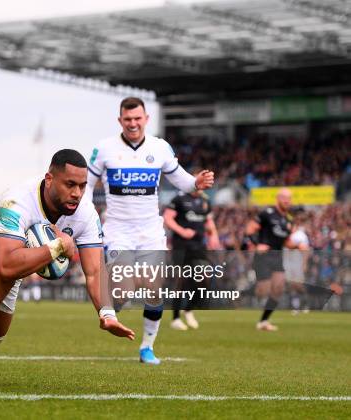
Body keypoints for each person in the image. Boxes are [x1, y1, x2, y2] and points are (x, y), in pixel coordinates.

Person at [0, 149, 135, 392]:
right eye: (70, 184)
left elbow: (94, 271)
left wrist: (107, 314)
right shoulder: (18, 200)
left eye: (82, 186)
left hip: (10, 267)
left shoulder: (85, 213)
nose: (77, 193)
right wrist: (58, 246)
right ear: (49, 179)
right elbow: (6, 264)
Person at [86, 97, 214, 364]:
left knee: (155, 289)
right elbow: (87, 185)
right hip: (118, 231)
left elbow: (181, 179)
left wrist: (197, 182)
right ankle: (110, 312)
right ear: (120, 120)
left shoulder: (160, 147)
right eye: (128, 119)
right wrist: (85, 217)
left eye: (137, 118)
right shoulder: (105, 148)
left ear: (146, 119)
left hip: (150, 231)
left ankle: (147, 348)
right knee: (124, 288)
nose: (133, 123)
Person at [163, 189, 221, 330]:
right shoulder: (179, 199)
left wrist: (214, 236)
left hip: (199, 246)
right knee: (181, 281)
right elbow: (167, 218)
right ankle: (175, 318)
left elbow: (208, 221)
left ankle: (188, 309)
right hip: (181, 246)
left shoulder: (205, 201)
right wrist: (182, 231)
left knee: (204, 279)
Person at [245, 188, 301, 331]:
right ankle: (241, 293)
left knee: (278, 288)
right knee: (263, 291)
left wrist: (297, 246)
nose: (287, 201)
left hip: (277, 257)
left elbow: (287, 242)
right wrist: (258, 244)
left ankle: (263, 321)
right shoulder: (267, 213)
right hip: (263, 257)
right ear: (278, 198)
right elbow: (249, 230)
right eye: (284, 197)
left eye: (289, 198)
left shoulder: (289, 219)